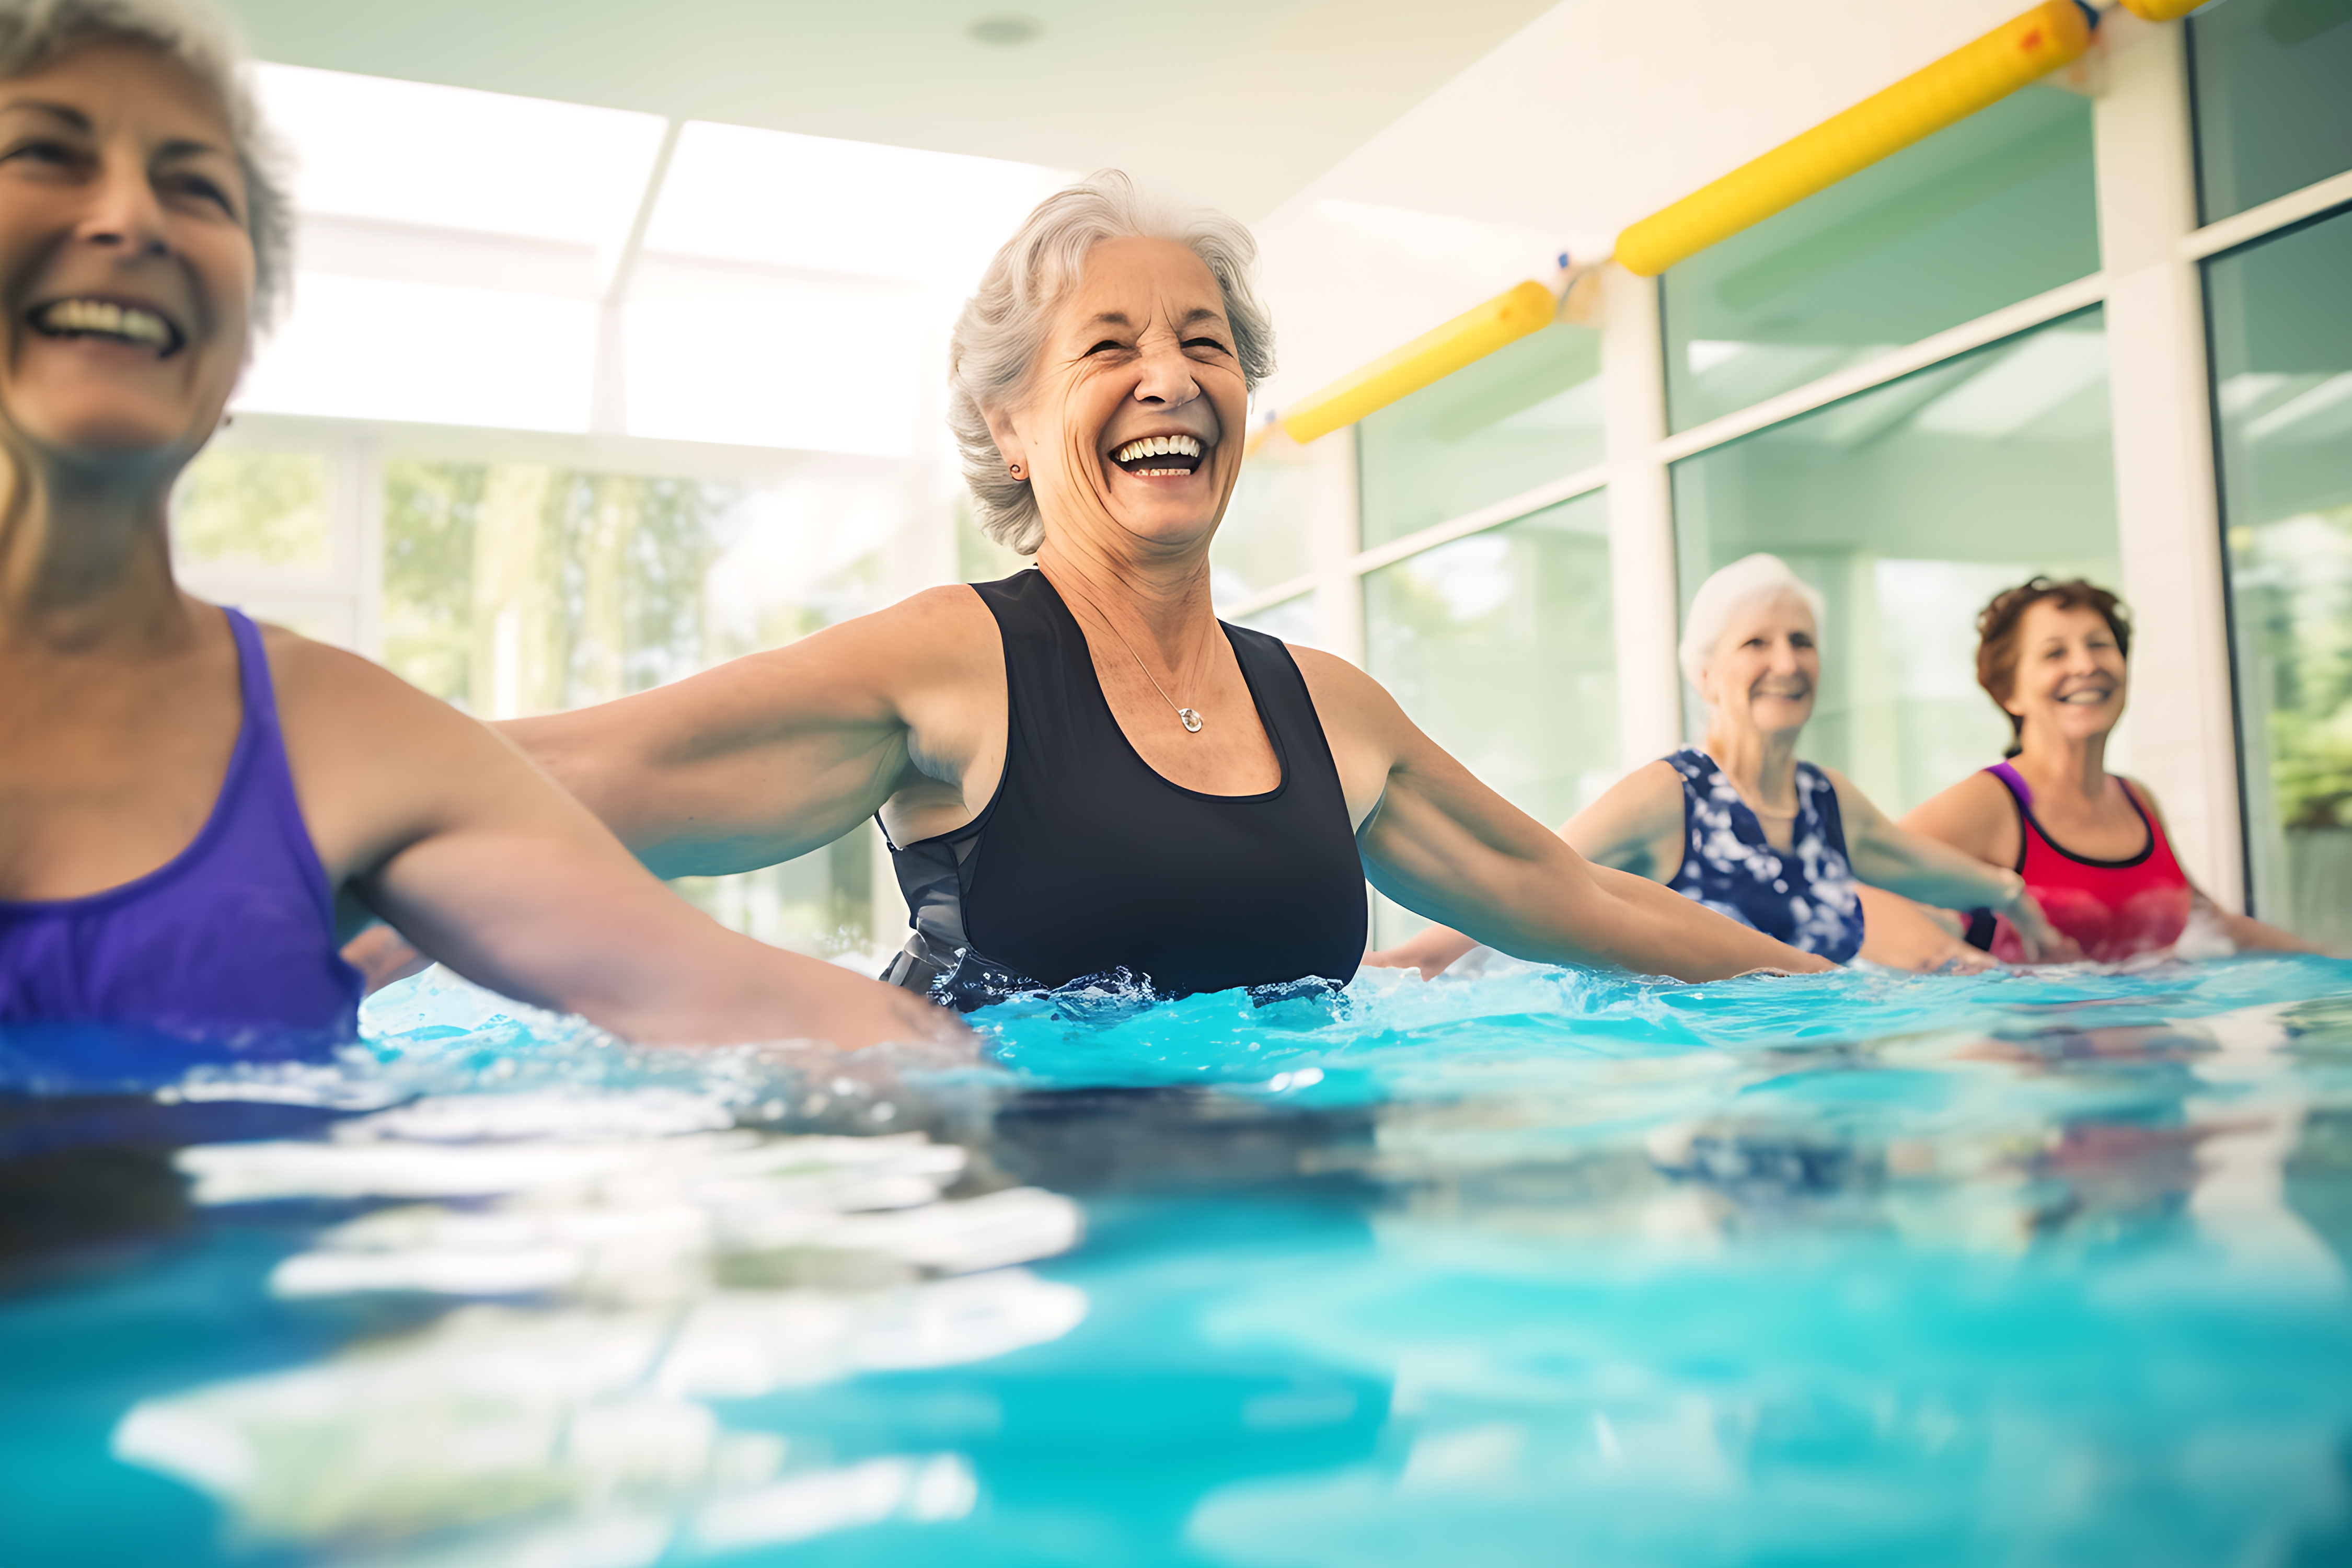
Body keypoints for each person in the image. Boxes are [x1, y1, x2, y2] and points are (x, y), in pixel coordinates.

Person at [506, 174, 1836, 1008]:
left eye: (1204, 341)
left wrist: (1851, 1001)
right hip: (1043, 1278)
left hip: (1298, 1277)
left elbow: (1586, 899)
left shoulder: (1328, 709)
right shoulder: (954, 662)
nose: (1170, 375)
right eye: (1108, 346)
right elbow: (587, 775)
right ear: (1010, 427)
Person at [0, 0, 951, 1051]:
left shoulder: (338, 742)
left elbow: (751, 1004)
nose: (133, 220)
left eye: (195, 187)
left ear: (236, 353)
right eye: (44, 152)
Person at [1368, 554, 2070, 979]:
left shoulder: (1826, 802)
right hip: (1704, 1083)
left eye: (1802, 642)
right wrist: (1420, 958)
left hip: (1825, 1076)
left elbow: (1911, 860)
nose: (1786, 663)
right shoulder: (1670, 796)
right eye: (1756, 644)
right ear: (1705, 675)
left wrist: (2010, 897)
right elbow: (1528, 876)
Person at [1900, 577, 2321, 962]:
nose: (2085, 665)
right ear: (2010, 692)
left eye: (2100, 645)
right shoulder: (1991, 802)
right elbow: (1859, 884)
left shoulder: (2136, 800)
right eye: (2055, 653)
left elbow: (2215, 925)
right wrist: (1954, 962)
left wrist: (2329, 962)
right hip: (2033, 1044)